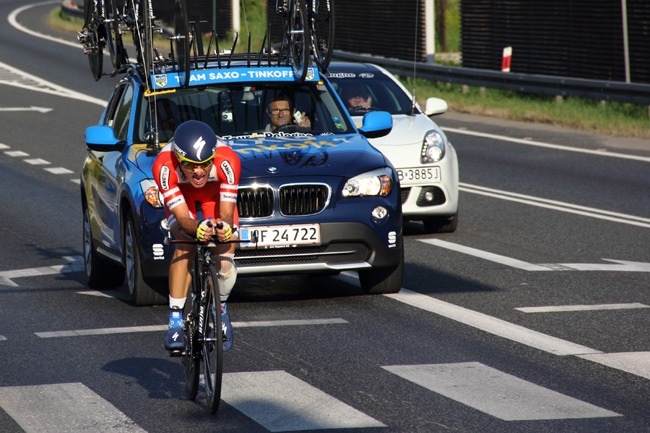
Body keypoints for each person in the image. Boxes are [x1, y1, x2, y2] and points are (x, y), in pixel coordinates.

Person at [152, 120, 241, 353]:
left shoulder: (228, 161)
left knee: (226, 248)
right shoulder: (164, 166)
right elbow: (183, 219)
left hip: (215, 196)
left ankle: (220, 311)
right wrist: (196, 229)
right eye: (190, 165)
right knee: (185, 245)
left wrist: (224, 227)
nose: (199, 171)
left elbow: (226, 214)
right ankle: (175, 321)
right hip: (182, 197)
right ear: (180, 160)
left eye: (205, 164)